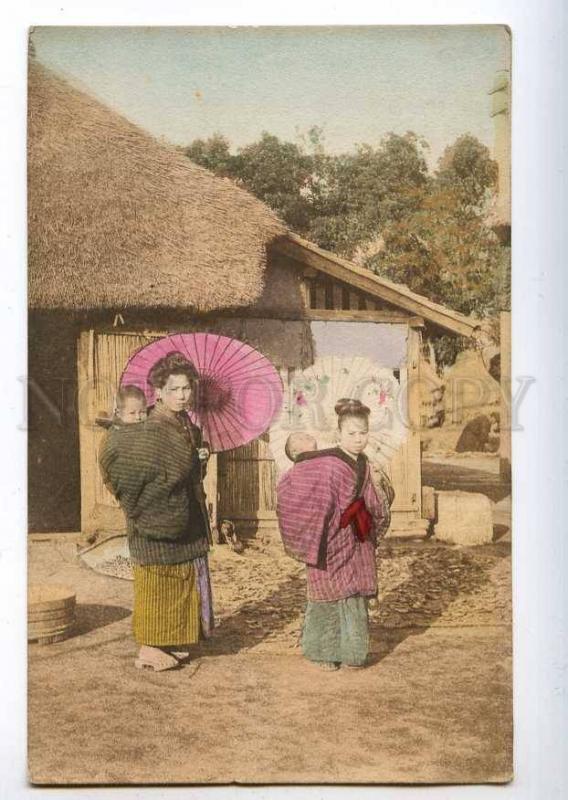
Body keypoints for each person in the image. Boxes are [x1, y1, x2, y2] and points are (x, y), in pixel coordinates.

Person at [99, 351, 213, 672]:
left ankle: (168, 641)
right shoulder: (148, 424)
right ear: (158, 392)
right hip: (154, 513)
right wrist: (183, 464)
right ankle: (149, 649)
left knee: (178, 579)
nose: (182, 396)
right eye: (174, 389)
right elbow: (130, 467)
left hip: (182, 512)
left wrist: (199, 459)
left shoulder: (186, 424)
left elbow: (188, 471)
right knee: (156, 580)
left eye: (187, 388)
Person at [276, 398, 393, 671]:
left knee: (354, 593)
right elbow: (296, 486)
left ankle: (353, 653)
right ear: (338, 434)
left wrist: (377, 482)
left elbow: (374, 500)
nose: (358, 439)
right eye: (351, 433)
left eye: (363, 433)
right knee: (327, 593)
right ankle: (322, 653)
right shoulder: (325, 462)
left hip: (357, 536)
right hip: (328, 537)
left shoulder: (365, 463)